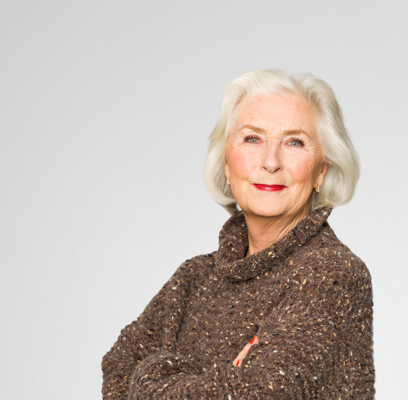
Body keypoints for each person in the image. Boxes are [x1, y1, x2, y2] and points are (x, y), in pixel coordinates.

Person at [102, 70, 374, 399]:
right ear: (227, 165)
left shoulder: (331, 274)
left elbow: (258, 394)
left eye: (294, 142)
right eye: (252, 139)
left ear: (321, 171)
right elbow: (117, 369)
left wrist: (149, 374)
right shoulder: (193, 279)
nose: (271, 162)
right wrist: (221, 381)